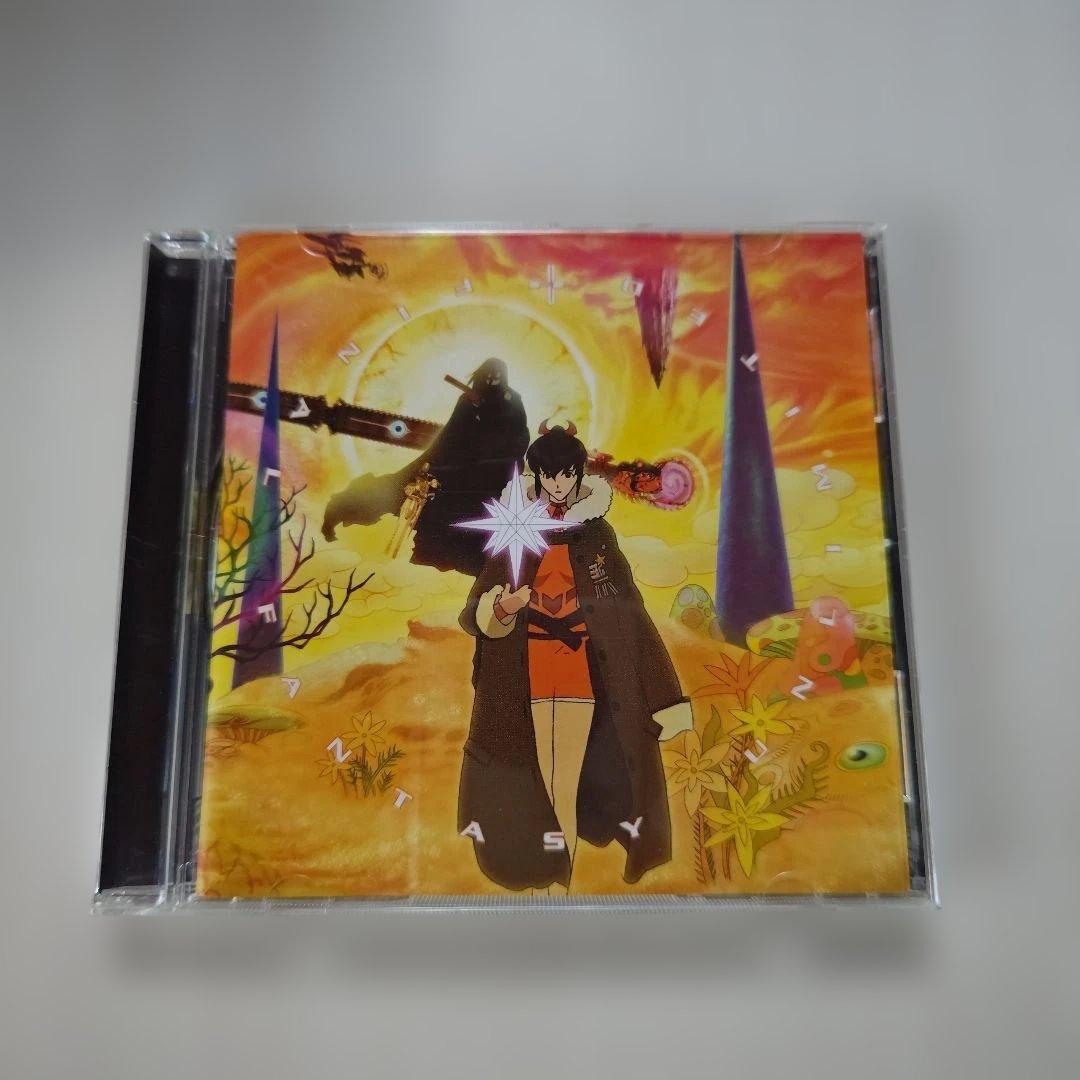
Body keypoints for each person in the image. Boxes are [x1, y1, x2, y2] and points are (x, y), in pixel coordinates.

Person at [457, 422, 693, 892]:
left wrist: (664, 697)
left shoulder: (596, 536)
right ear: (537, 475)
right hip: (520, 680)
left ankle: (559, 881)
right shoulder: (515, 531)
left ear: (579, 475)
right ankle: (544, 875)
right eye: (549, 475)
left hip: (579, 676)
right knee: (535, 782)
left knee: (563, 783)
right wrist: (503, 608)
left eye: (567, 474)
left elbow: (630, 615)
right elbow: (475, 610)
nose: (558, 484)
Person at [323, 358, 528, 576]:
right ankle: (340, 513)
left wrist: (496, 434)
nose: (494, 379)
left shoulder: (513, 400)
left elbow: (520, 437)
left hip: (493, 475)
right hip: (459, 471)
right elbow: (452, 435)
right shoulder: (469, 401)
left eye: (498, 374)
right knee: (410, 498)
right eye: (490, 374)